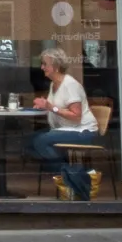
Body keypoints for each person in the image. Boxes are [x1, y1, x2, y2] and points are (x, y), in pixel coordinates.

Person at [30, 47, 97, 199]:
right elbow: (55, 108)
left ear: (56, 66)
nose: (42, 67)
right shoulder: (54, 84)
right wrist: (44, 106)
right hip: (65, 130)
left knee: (41, 141)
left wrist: (50, 107)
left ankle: (74, 176)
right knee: (28, 142)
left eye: (45, 64)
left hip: (82, 131)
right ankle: (72, 173)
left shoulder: (70, 85)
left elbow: (76, 116)